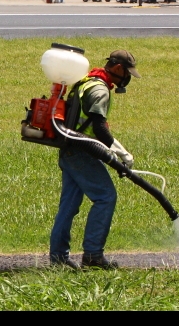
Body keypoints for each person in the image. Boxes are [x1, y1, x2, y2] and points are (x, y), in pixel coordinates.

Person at [50, 50, 140, 270]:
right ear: (118, 69)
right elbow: (99, 128)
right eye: (127, 73)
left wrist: (115, 153)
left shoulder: (87, 81)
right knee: (105, 197)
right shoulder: (100, 89)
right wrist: (121, 153)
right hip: (82, 152)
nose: (127, 78)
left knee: (68, 206)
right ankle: (93, 256)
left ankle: (59, 259)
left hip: (69, 150)